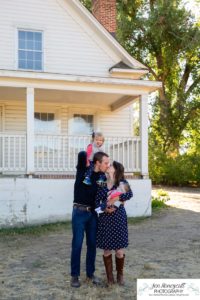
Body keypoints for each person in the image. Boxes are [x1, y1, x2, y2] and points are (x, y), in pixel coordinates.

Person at [70, 151, 110, 288]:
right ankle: (74, 276)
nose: (107, 165)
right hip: (79, 212)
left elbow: (104, 196)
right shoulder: (84, 170)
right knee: (77, 245)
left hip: (93, 214)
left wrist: (105, 206)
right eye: (105, 163)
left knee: (92, 245)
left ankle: (90, 274)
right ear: (97, 162)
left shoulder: (102, 177)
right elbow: (81, 155)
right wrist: (90, 152)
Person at [95, 161, 133, 286]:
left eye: (111, 165)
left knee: (119, 251)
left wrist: (117, 198)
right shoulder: (102, 182)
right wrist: (104, 208)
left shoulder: (122, 183)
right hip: (105, 218)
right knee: (107, 251)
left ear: (115, 170)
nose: (108, 166)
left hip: (118, 218)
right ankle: (110, 278)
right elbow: (97, 199)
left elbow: (129, 194)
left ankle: (120, 276)